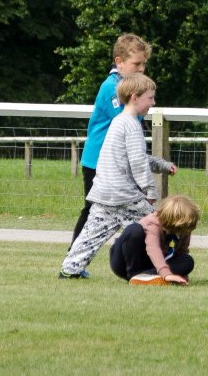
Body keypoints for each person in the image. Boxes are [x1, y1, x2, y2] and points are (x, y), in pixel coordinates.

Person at [60, 73, 176, 278]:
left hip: (104, 192)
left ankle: (70, 269)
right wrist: (150, 190)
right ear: (135, 97)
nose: (153, 103)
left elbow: (134, 157)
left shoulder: (118, 122)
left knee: (91, 234)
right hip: (124, 194)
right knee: (158, 224)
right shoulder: (131, 125)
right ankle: (166, 262)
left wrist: (162, 165)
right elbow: (138, 162)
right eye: (150, 98)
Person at [70, 34, 151, 264]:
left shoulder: (125, 87)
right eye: (136, 64)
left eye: (143, 64)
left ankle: (136, 258)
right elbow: (126, 119)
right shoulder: (111, 88)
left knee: (114, 213)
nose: (141, 69)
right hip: (98, 162)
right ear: (119, 61)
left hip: (115, 163)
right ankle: (74, 257)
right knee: (93, 213)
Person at [112, 194, 199, 286]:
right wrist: (166, 274)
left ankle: (147, 276)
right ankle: (135, 276)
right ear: (172, 222)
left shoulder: (184, 228)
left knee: (187, 261)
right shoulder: (153, 222)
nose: (185, 231)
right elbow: (153, 249)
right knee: (134, 230)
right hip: (127, 263)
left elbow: (182, 252)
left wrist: (182, 274)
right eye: (182, 228)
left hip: (152, 266)